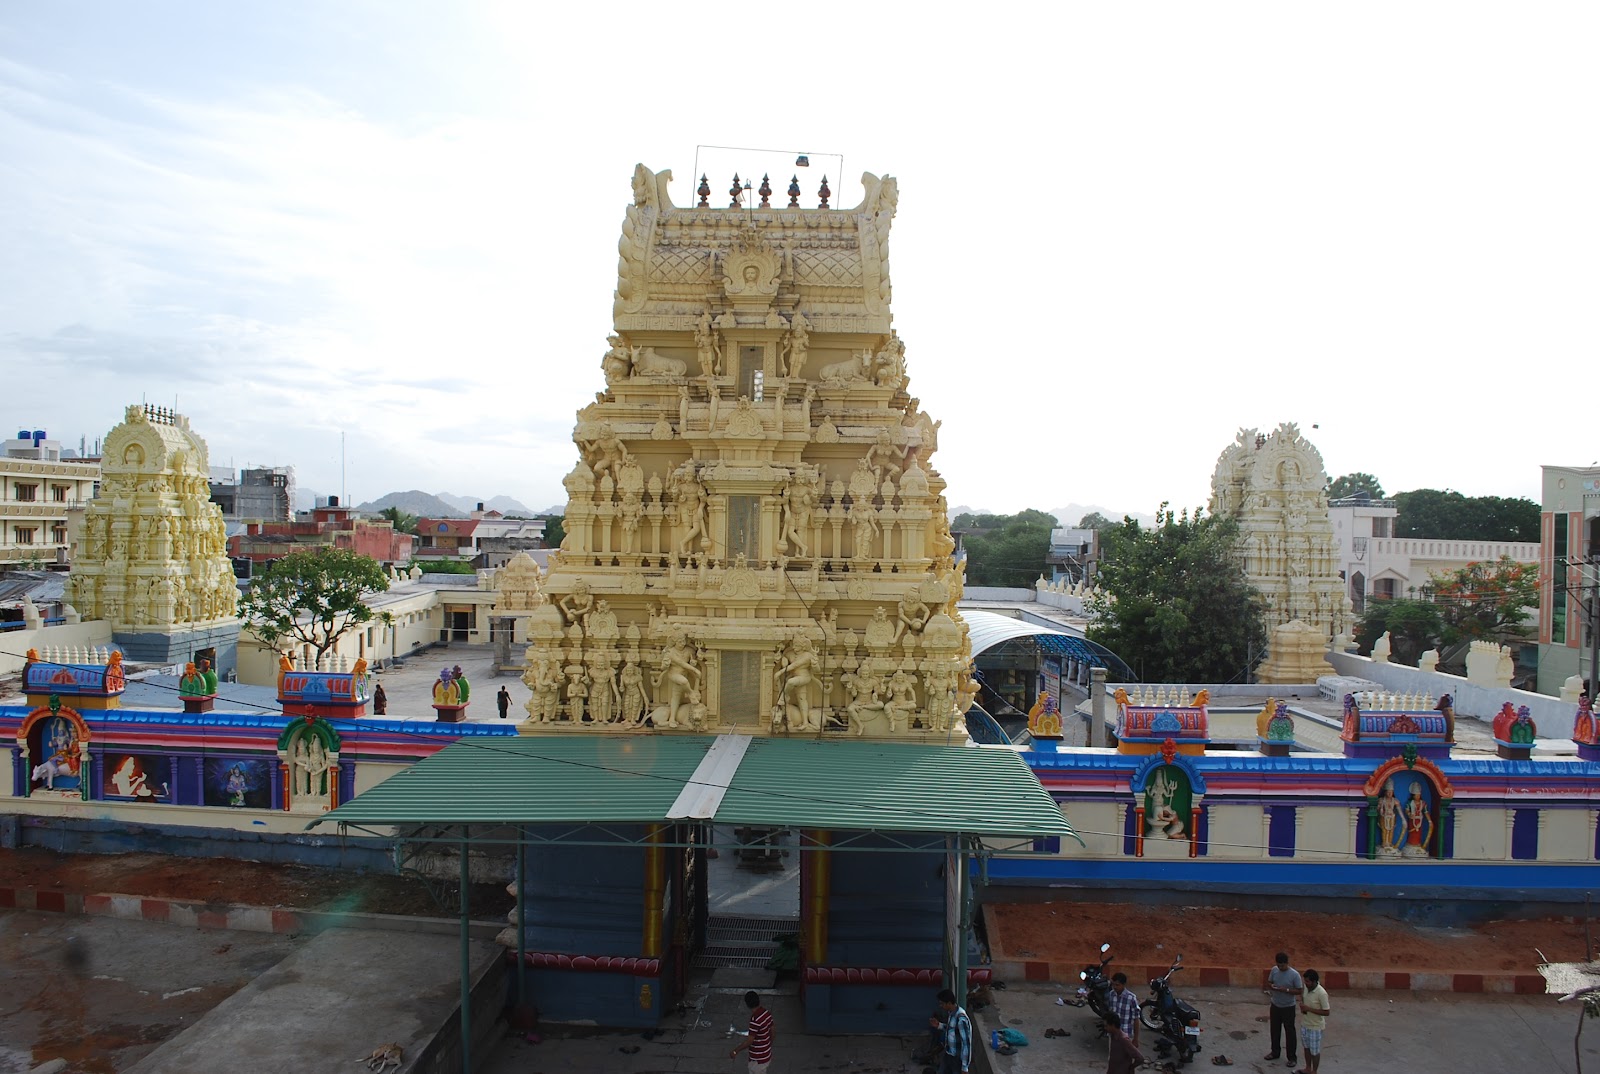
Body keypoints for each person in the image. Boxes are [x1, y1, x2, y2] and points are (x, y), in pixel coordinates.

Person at [1264, 951, 1303, 1067]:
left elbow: (1299, 990)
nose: (1280, 967)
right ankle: (1275, 1052)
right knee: (1274, 1030)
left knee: (1289, 1032)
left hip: (1288, 1007)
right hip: (1275, 1005)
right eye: (1278, 965)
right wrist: (1271, 986)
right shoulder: (1274, 970)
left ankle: (1292, 1057)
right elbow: (1269, 982)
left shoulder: (1294, 975)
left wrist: (1285, 990)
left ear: (1287, 963)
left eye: (1282, 965)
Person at [729, 990, 773, 1072]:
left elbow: (749, 1041)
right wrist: (768, 1044)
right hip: (766, 1055)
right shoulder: (766, 1013)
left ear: (747, 1004)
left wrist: (736, 1050)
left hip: (757, 1059)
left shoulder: (755, 1020)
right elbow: (773, 1029)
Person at [1297, 968, 1330, 1074]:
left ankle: (1314, 1071)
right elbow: (1302, 995)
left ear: (1314, 981)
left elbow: (1326, 1012)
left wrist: (1308, 1009)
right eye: (1305, 981)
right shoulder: (1306, 988)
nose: (1305, 983)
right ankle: (1307, 1068)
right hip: (1305, 1024)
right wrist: (1302, 1002)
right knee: (1306, 1048)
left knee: (1314, 1051)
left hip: (1315, 1027)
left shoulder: (1322, 993)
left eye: (1307, 981)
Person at [931, 988, 971, 1074]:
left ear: (949, 1003)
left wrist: (964, 1067)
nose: (940, 1006)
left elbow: (966, 1043)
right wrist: (940, 1025)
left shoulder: (961, 1019)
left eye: (942, 1003)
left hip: (957, 1059)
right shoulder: (952, 1014)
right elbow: (952, 1030)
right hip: (949, 1054)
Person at [1107, 971, 1140, 1047]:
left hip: (1126, 1034)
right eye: (1113, 985)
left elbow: (1136, 1019)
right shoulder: (1111, 995)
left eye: (1117, 985)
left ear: (1124, 985)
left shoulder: (1131, 998)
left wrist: (1135, 1038)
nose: (1115, 987)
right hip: (1113, 1034)